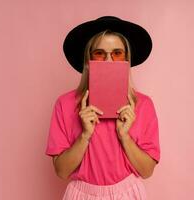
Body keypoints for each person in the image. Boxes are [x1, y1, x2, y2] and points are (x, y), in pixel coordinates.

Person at [45, 16, 161, 200]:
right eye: (99, 53)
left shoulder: (143, 105)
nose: (109, 60)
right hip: (82, 194)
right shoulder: (65, 104)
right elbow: (61, 171)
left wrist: (125, 137)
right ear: (88, 61)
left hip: (128, 193)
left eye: (117, 53)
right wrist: (84, 135)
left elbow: (147, 171)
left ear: (127, 59)